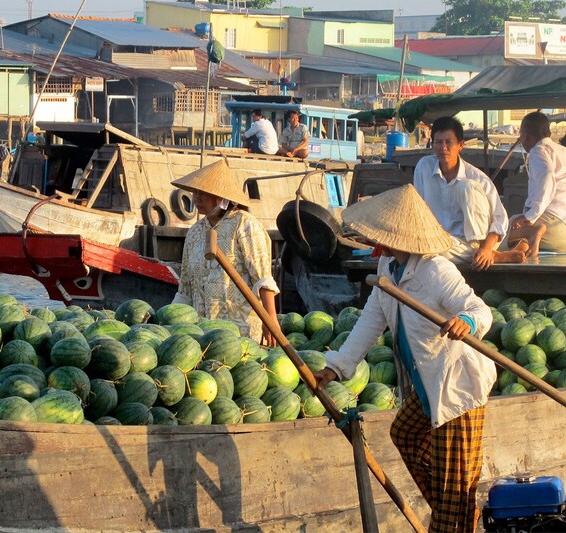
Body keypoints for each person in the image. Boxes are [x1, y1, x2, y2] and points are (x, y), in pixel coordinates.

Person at [314, 184, 494, 532]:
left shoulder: (435, 271)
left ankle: (452, 516)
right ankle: (453, 511)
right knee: (405, 436)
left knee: (451, 490)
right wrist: (337, 367)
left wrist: (466, 322)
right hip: (426, 385)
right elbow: (371, 319)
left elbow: (478, 309)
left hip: (457, 389)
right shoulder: (387, 266)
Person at [171, 159, 279, 343]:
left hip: (240, 333)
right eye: (195, 192)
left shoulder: (244, 224)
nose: (196, 198)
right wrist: (168, 324)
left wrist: (270, 319)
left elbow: (263, 279)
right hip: (201, 333)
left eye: (203, 193)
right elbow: (186, 289)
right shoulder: (195, 232)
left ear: (220, 197)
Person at [414, 116, 529, 269]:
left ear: (460, 145)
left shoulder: (478, 178)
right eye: (438, 142)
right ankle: (494, 256)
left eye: (448, 142)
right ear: (432, 144)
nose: (443, 148)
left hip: (480, 241)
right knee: (424, 251)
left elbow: (500, 220)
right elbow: (417, 209)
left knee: (466, 187)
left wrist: (486, 248)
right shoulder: (424, 167)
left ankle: (484, 252)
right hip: (445, 243)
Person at [507, 111, 566, 256]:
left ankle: (534, 232)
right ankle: (528, 243)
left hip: (557, 228)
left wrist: (529, 217)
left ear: (525, 135)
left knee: (505, 228)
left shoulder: (538, 150)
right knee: (519, 238)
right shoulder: (564, 151)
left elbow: (547, 178)